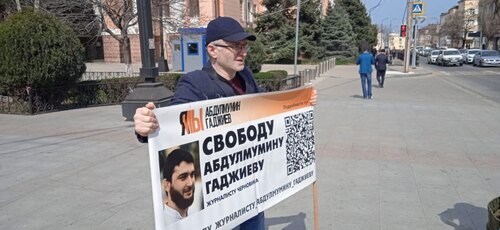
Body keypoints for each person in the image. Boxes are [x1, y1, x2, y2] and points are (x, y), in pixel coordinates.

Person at [134, 16, 318, 229]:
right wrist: (145, 126)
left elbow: (265, 108)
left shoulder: (246, 76)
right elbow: (175, 123)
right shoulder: (195, 83)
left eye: (244, 45)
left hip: (252, 192)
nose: (243, 52)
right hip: (222, 204)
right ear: (212, 50)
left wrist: (300, 103)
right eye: (235, 46)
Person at [162, 149, 196, 225]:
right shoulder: (162, 223)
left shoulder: (197, 213)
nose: (190, 183)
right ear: (166, 185)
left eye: (192, 175)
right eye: (183, 177)